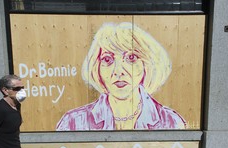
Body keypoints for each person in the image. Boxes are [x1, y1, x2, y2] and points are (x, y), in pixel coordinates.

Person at [56, 22, 186, 131]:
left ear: (147, 64)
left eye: (131, 57)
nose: (118, 71)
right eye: (107, 59)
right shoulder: (73, 123)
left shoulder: (171, 122)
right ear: (97, 68)